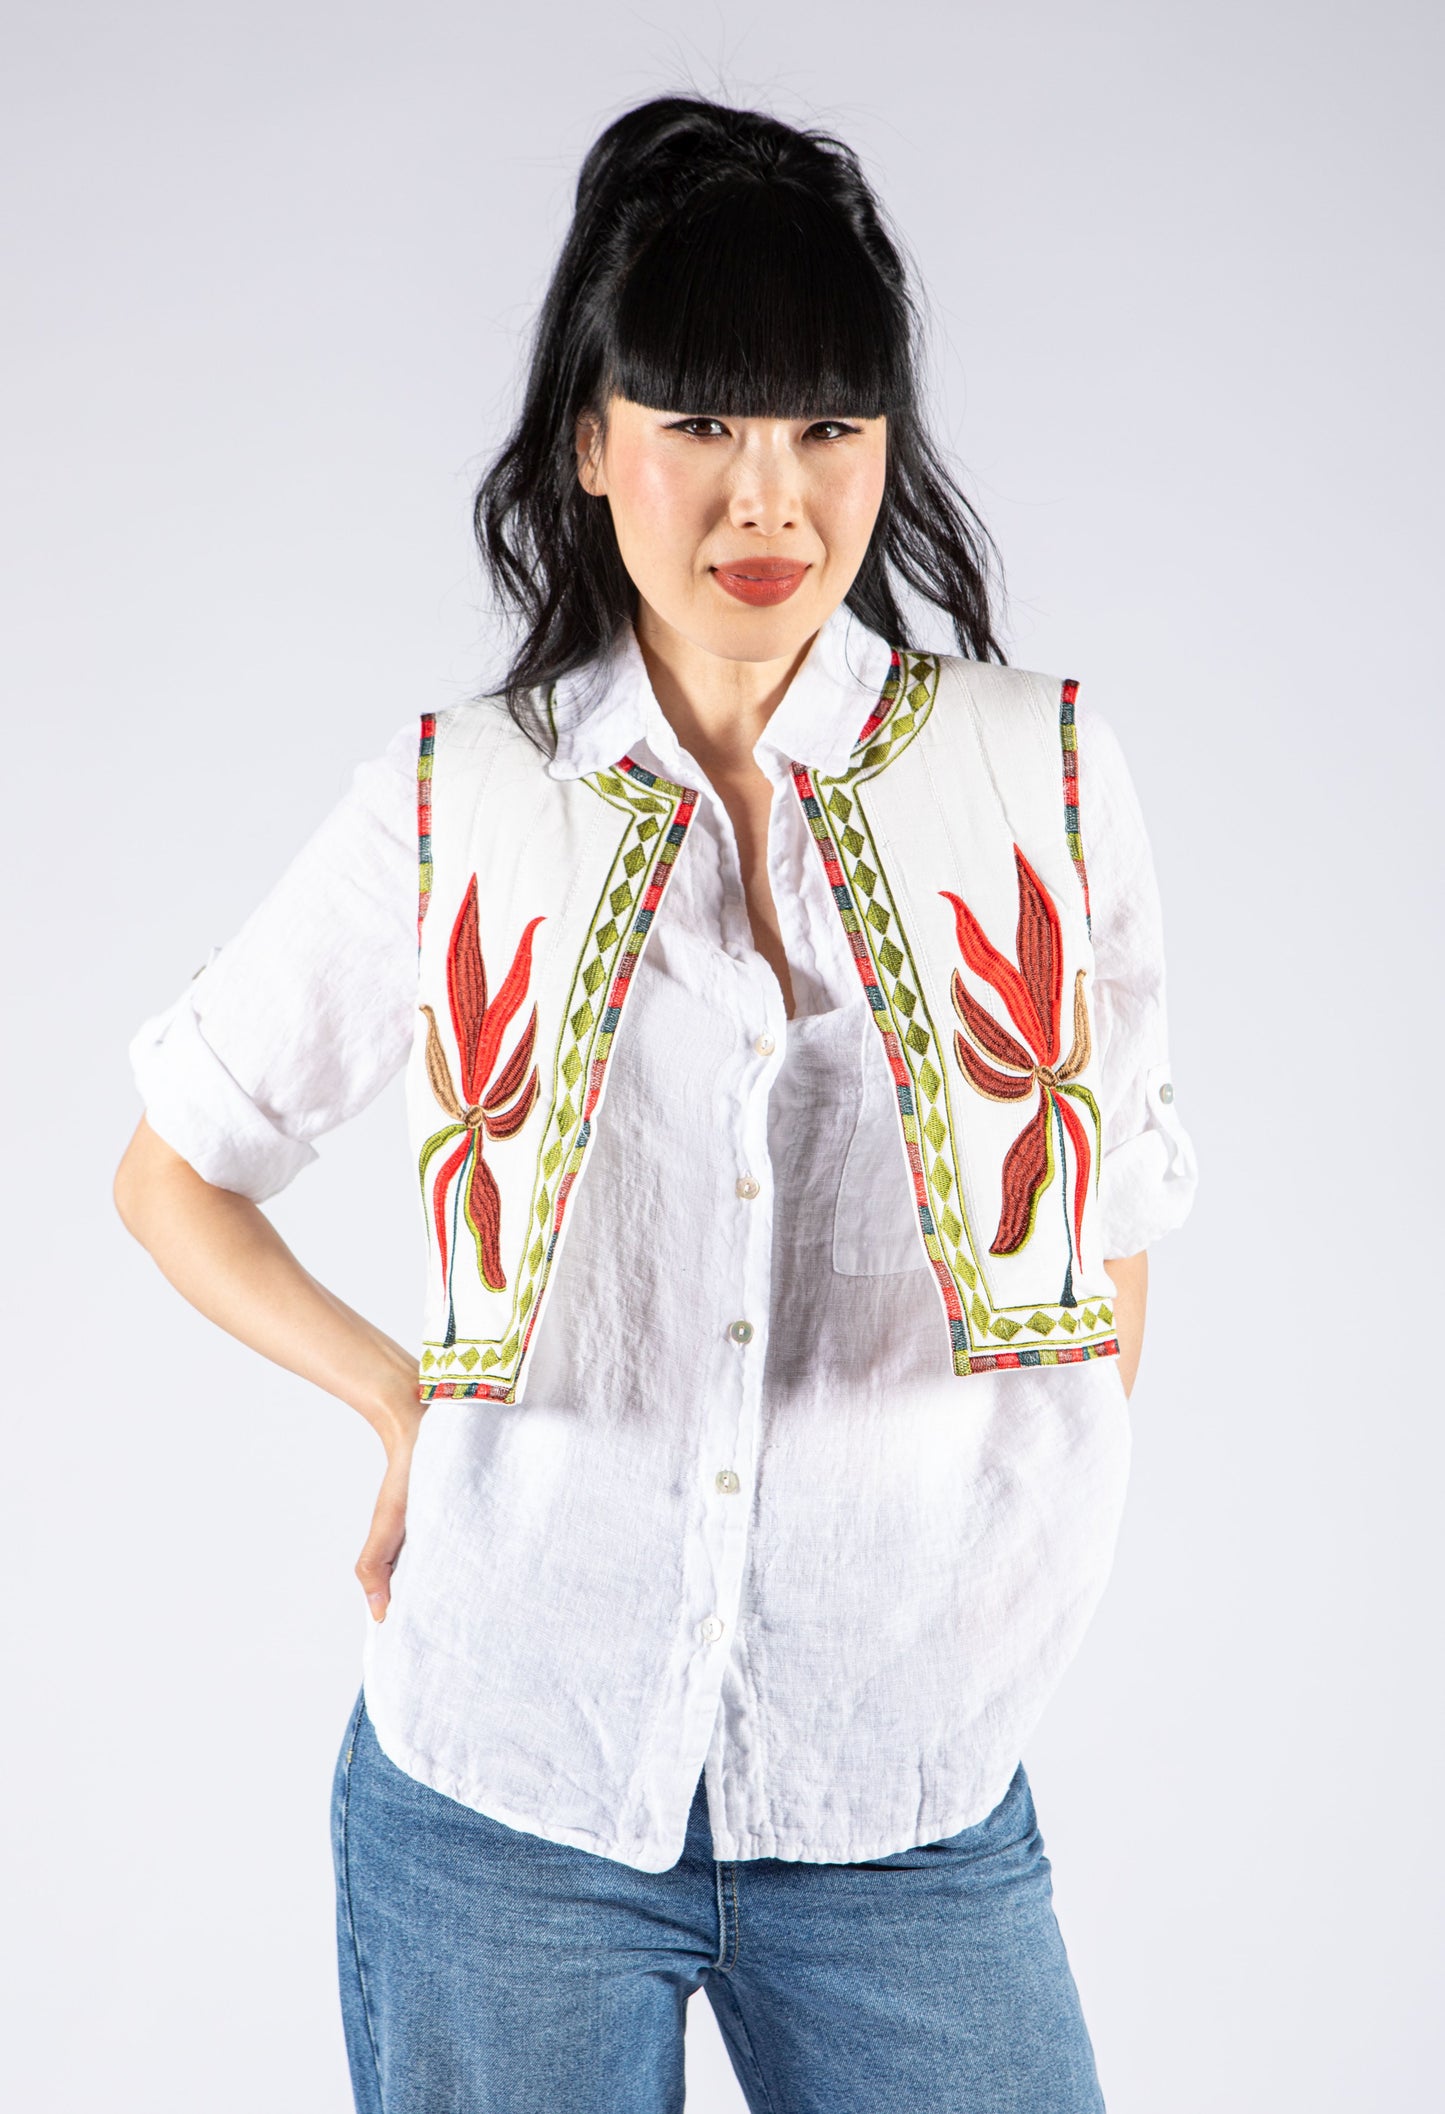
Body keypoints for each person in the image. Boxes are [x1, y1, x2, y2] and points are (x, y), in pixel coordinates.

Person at [114, 92, 1198, 2114]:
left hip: (905, 1794)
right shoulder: (460, 797)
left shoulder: (1037, 778)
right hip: (502, 1784)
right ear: (592, 440)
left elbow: (1110, 1228)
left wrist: (999, 1575)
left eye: (825, 425)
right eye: (700, 419)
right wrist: (399, 1401)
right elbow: (176, 1166)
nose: (767, 495)